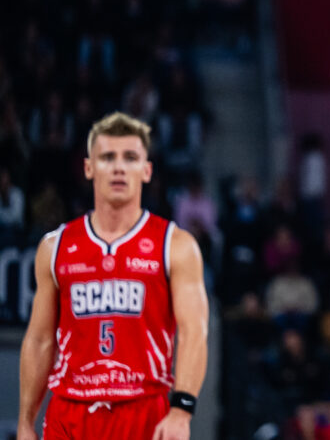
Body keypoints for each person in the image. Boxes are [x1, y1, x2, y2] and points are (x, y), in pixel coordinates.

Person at [18, 112, 209, 440]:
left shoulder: (175, 244)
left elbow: (194, 332)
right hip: (70, 410)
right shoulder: (55, 246)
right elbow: (39, 339)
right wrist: (25, 422)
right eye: (108, 157)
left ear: (146, 171)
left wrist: (181, 410)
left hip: (143, 408)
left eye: (130, 158)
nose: (119, 167)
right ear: (88, 168)